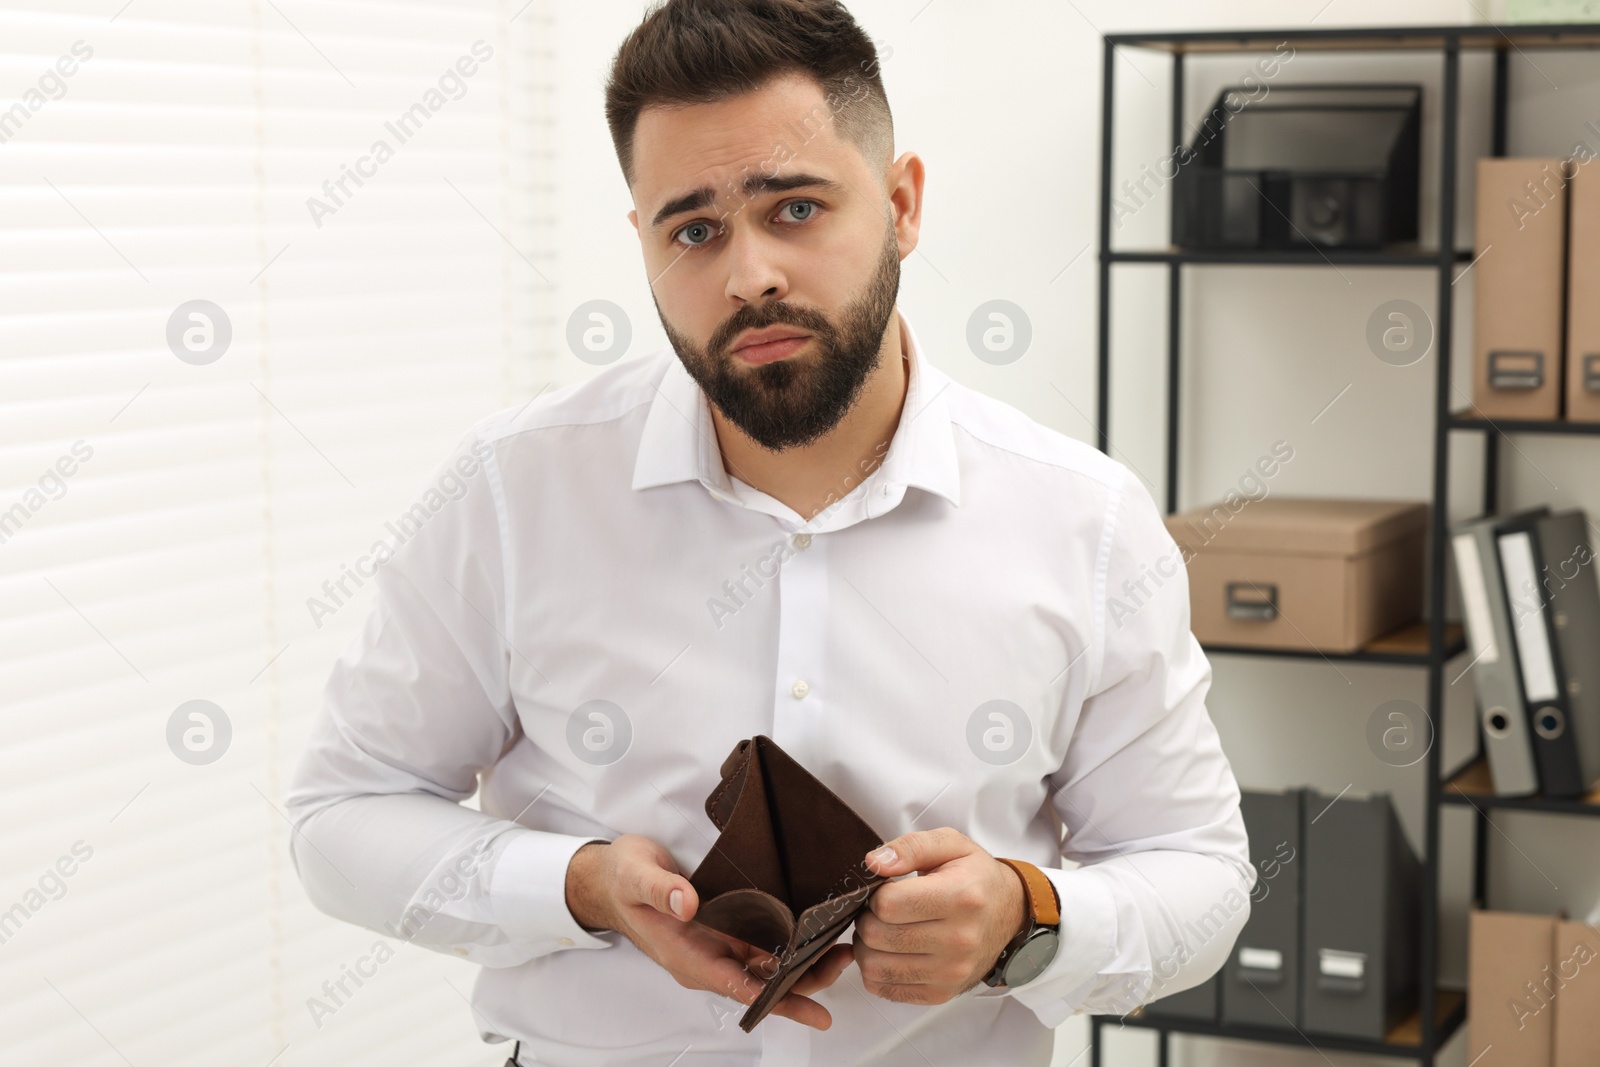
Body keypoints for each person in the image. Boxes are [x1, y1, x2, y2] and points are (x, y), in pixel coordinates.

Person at [286, 1, 1254, 1064]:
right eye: (693, 229)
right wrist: (584, 886)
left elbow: (1199, 882)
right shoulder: (514, 490)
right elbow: (342, 818)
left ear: (901, 202)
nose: (749, 274)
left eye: (793, 208)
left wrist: (1024, 917)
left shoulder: (1086, 520)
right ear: (645, 246)